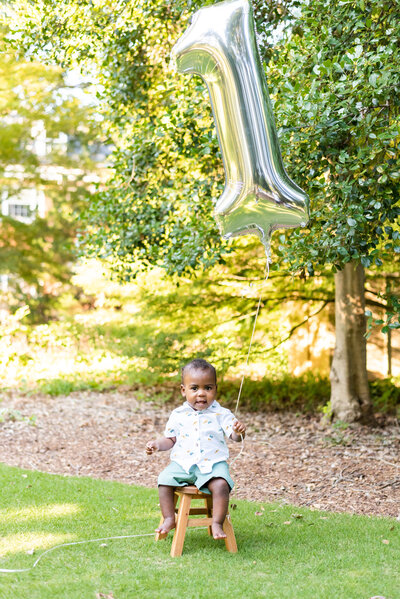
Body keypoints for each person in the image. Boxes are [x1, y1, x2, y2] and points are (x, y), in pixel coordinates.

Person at [146, 358, 246, 540]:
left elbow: (234, 436)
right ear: (183, 390)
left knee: (221, 484)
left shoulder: (221, 414)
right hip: (183, 465)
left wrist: (239, 432)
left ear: (215, 389)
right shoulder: (178, 415)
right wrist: (157, 445)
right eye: (194, 388)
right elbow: (170, 439)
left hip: (212, 466)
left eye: (208, 388)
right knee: (164, 480)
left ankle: (216, 522)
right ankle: (169, 518)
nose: (201, 393)